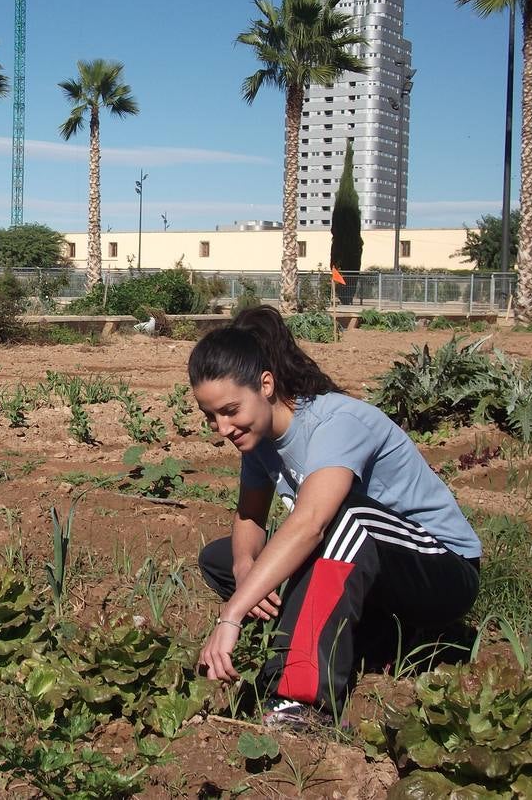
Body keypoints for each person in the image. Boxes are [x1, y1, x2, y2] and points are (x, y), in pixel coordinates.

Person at [188, 306, 481, 727]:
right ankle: (365, 639)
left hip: (440, 571)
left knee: (342, 518)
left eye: (231, 410)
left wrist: (233, 612)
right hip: (369, 567)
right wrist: (244, 568)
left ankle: (302, 699)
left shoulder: (336, 421)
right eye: (210, 417)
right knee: (220, 558)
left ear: (266, 384)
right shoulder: (260, 440)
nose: (222, 427)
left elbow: (311, 524)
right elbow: (250, 516)